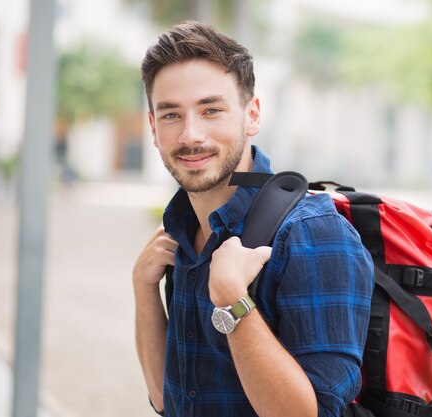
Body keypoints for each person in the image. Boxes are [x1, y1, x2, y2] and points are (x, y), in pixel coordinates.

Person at [132, 21, 374, 417]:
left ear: (252, 115)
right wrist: (144, 291)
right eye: (172, 115)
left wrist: (232, 298)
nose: (191, 135)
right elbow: (166, 399)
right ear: (154, 128)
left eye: (211, 110)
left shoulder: (311, 234)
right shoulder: (181, 233)